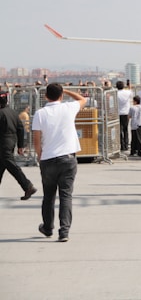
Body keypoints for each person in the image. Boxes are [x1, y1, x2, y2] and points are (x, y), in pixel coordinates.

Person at [32, 83, 86, 242]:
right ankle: (64, 231)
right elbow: (83, 99)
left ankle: (48, 227)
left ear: (45, 96)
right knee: (66, 195)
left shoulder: (40, 113)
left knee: (48, 195)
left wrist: (39, 155)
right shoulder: (68, 108)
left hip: (48, 158)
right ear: (61, 96)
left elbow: (36, 138)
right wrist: (66, 90)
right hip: (67, 158)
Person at [0, 91, 37, 200]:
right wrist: (21, 145)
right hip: (11, 142)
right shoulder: (13, 112)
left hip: (3, 143)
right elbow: (20, 129)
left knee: (12, 166)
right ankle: (27, 186)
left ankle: (27, 186)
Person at [116, 80, 132, 151]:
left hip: (118, 113)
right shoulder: (128, 92)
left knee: (119, 130)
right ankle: (126, 144)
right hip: (126, 113)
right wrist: (129, 86)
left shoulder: (115, 93)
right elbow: (130, 90)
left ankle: (121, 145)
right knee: (126, 130)